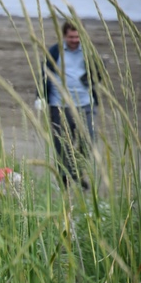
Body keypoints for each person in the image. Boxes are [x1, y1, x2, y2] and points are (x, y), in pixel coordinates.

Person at [37, 21, 102, 189]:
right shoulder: (54, 51)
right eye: (71, 36)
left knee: (88, 141)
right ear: (64, 36)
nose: (75, 40)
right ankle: (64, 178)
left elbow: (99, 74)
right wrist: (41, 97)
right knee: (63, 144)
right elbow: (44, 75)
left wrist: (91, 77)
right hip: (59, 105)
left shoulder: (89, 51)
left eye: (78, 36)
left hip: (85, 104)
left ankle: (77, 172)